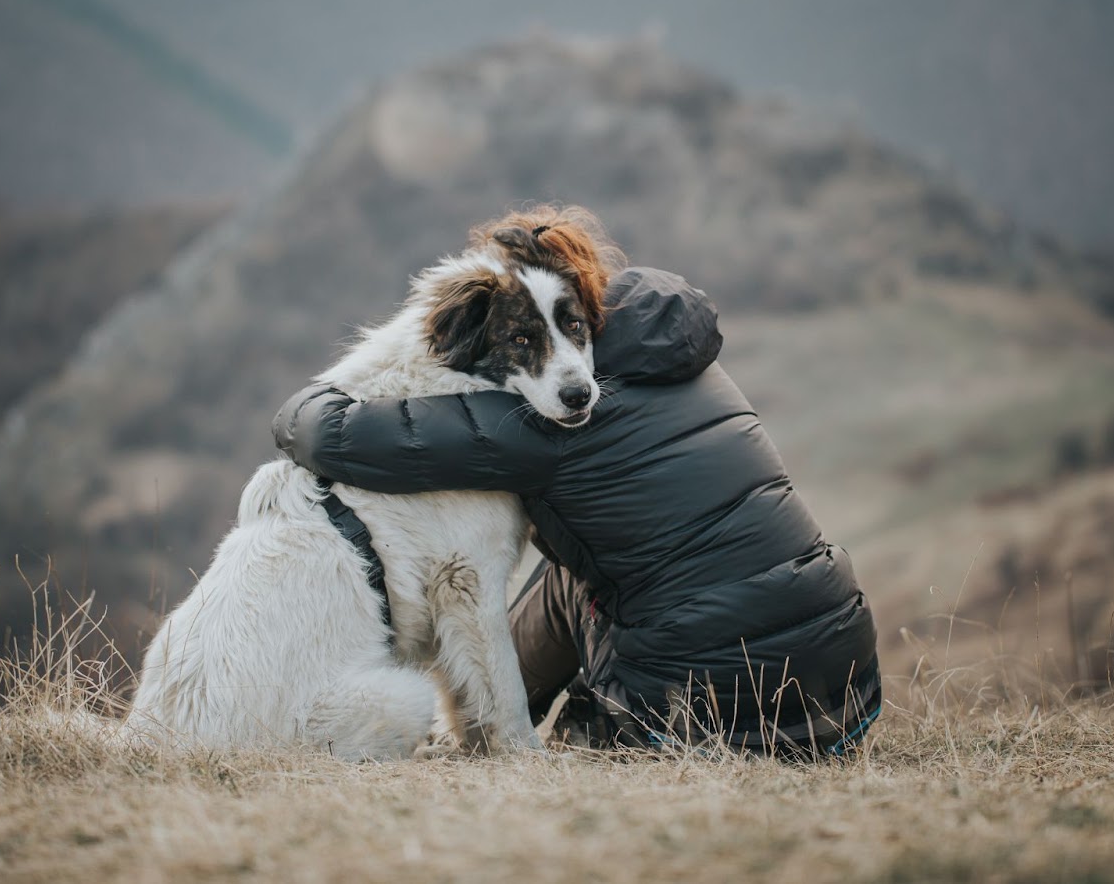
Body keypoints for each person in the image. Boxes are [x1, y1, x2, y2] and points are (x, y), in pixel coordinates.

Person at [273, 262, 881, 757]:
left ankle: (508, 738)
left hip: (712, 715)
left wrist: (302, 404)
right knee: (571, 577)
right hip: (846, 690)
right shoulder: (682, 361)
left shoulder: (540, 422)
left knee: (578, 736)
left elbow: (337, 437)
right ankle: (482, 723)